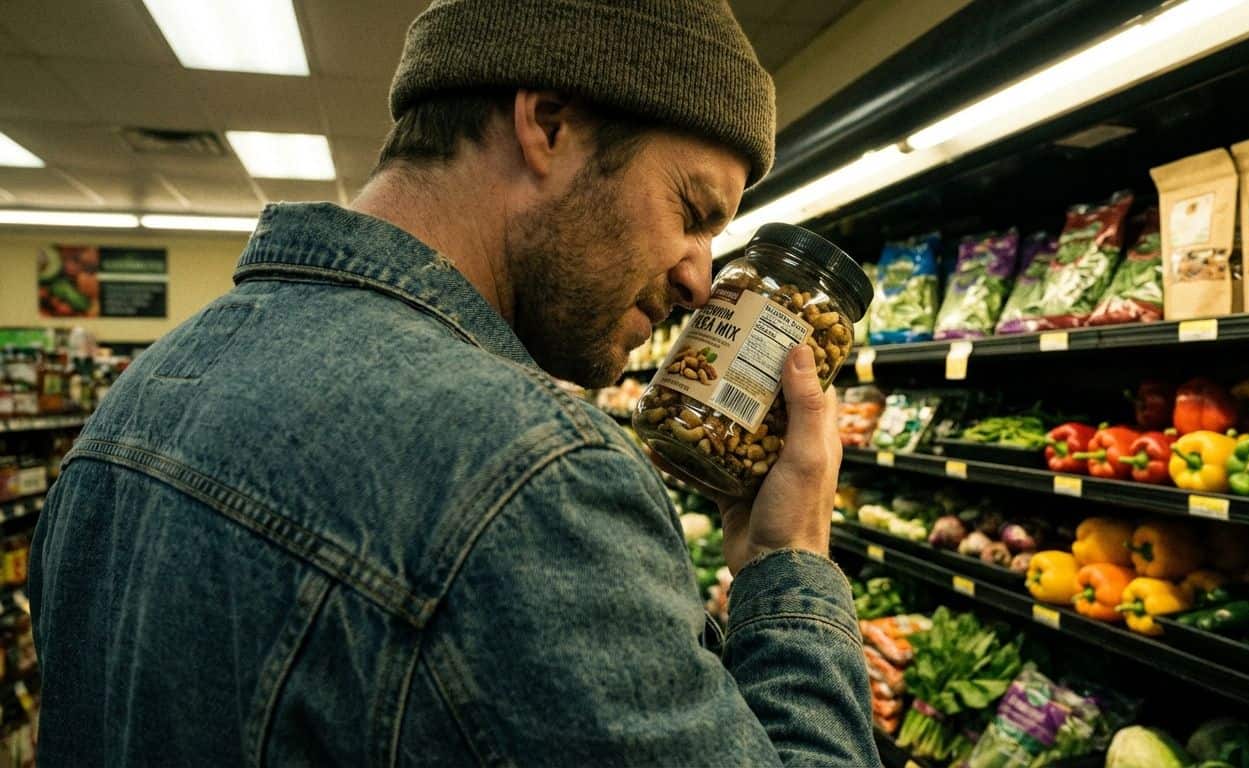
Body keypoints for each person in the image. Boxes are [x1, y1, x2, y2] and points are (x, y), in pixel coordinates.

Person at [29, 1, 879, 765]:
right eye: (692, 212)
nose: (700, 277)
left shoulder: (145, 394)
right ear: (547, 124)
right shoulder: (530, 473)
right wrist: (787, 559)